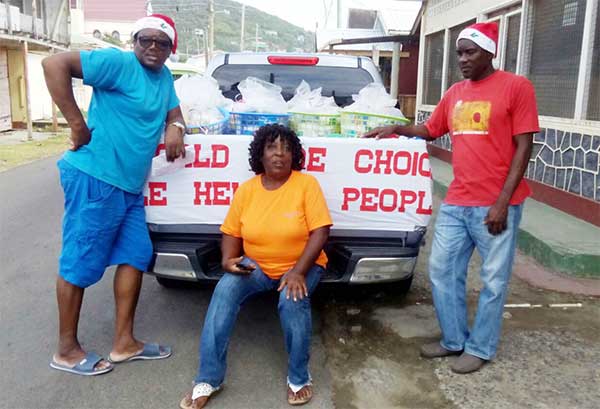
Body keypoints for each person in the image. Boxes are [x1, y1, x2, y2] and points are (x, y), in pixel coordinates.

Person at [364, 22, 539, 374]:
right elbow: (431, 129)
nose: (462, 59)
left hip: (496, 203)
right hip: (458, 201)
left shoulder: (516, 87)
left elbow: (524, 146)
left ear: (489, 52)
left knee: (493, 281)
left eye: (470, 52)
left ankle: (480, 347)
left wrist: (502, 202)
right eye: (459, 53)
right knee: (442, 270)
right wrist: (397, 128)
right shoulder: (456, 92)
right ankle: (454, 339)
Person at [43, 14, 186, 376]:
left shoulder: (163, 77)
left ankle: (124, 343)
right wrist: (76, 123)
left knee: (136, 255)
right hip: (96, 176)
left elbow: (175, 112)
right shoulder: (118, 63)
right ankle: (66, 350)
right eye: (145, 39)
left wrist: (176, 126)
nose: (153, 47)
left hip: (130, 187)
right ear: (134, 41)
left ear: (171, 49)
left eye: (162, 43)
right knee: (80, 261)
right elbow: (54, 63)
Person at [180, 124, 332, 408]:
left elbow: (321, 232)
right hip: (256, 265)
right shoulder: (247, 190)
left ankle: (299, 377)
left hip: (301, 265)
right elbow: (231, 232)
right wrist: (228, 260)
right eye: (272, 147)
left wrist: (298, 271)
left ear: (295, 155)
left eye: (286, 149)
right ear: (260, 154)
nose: (280, 154)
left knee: (292, 300)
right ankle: (208, 378)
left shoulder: (306, 184)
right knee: (224, 291)